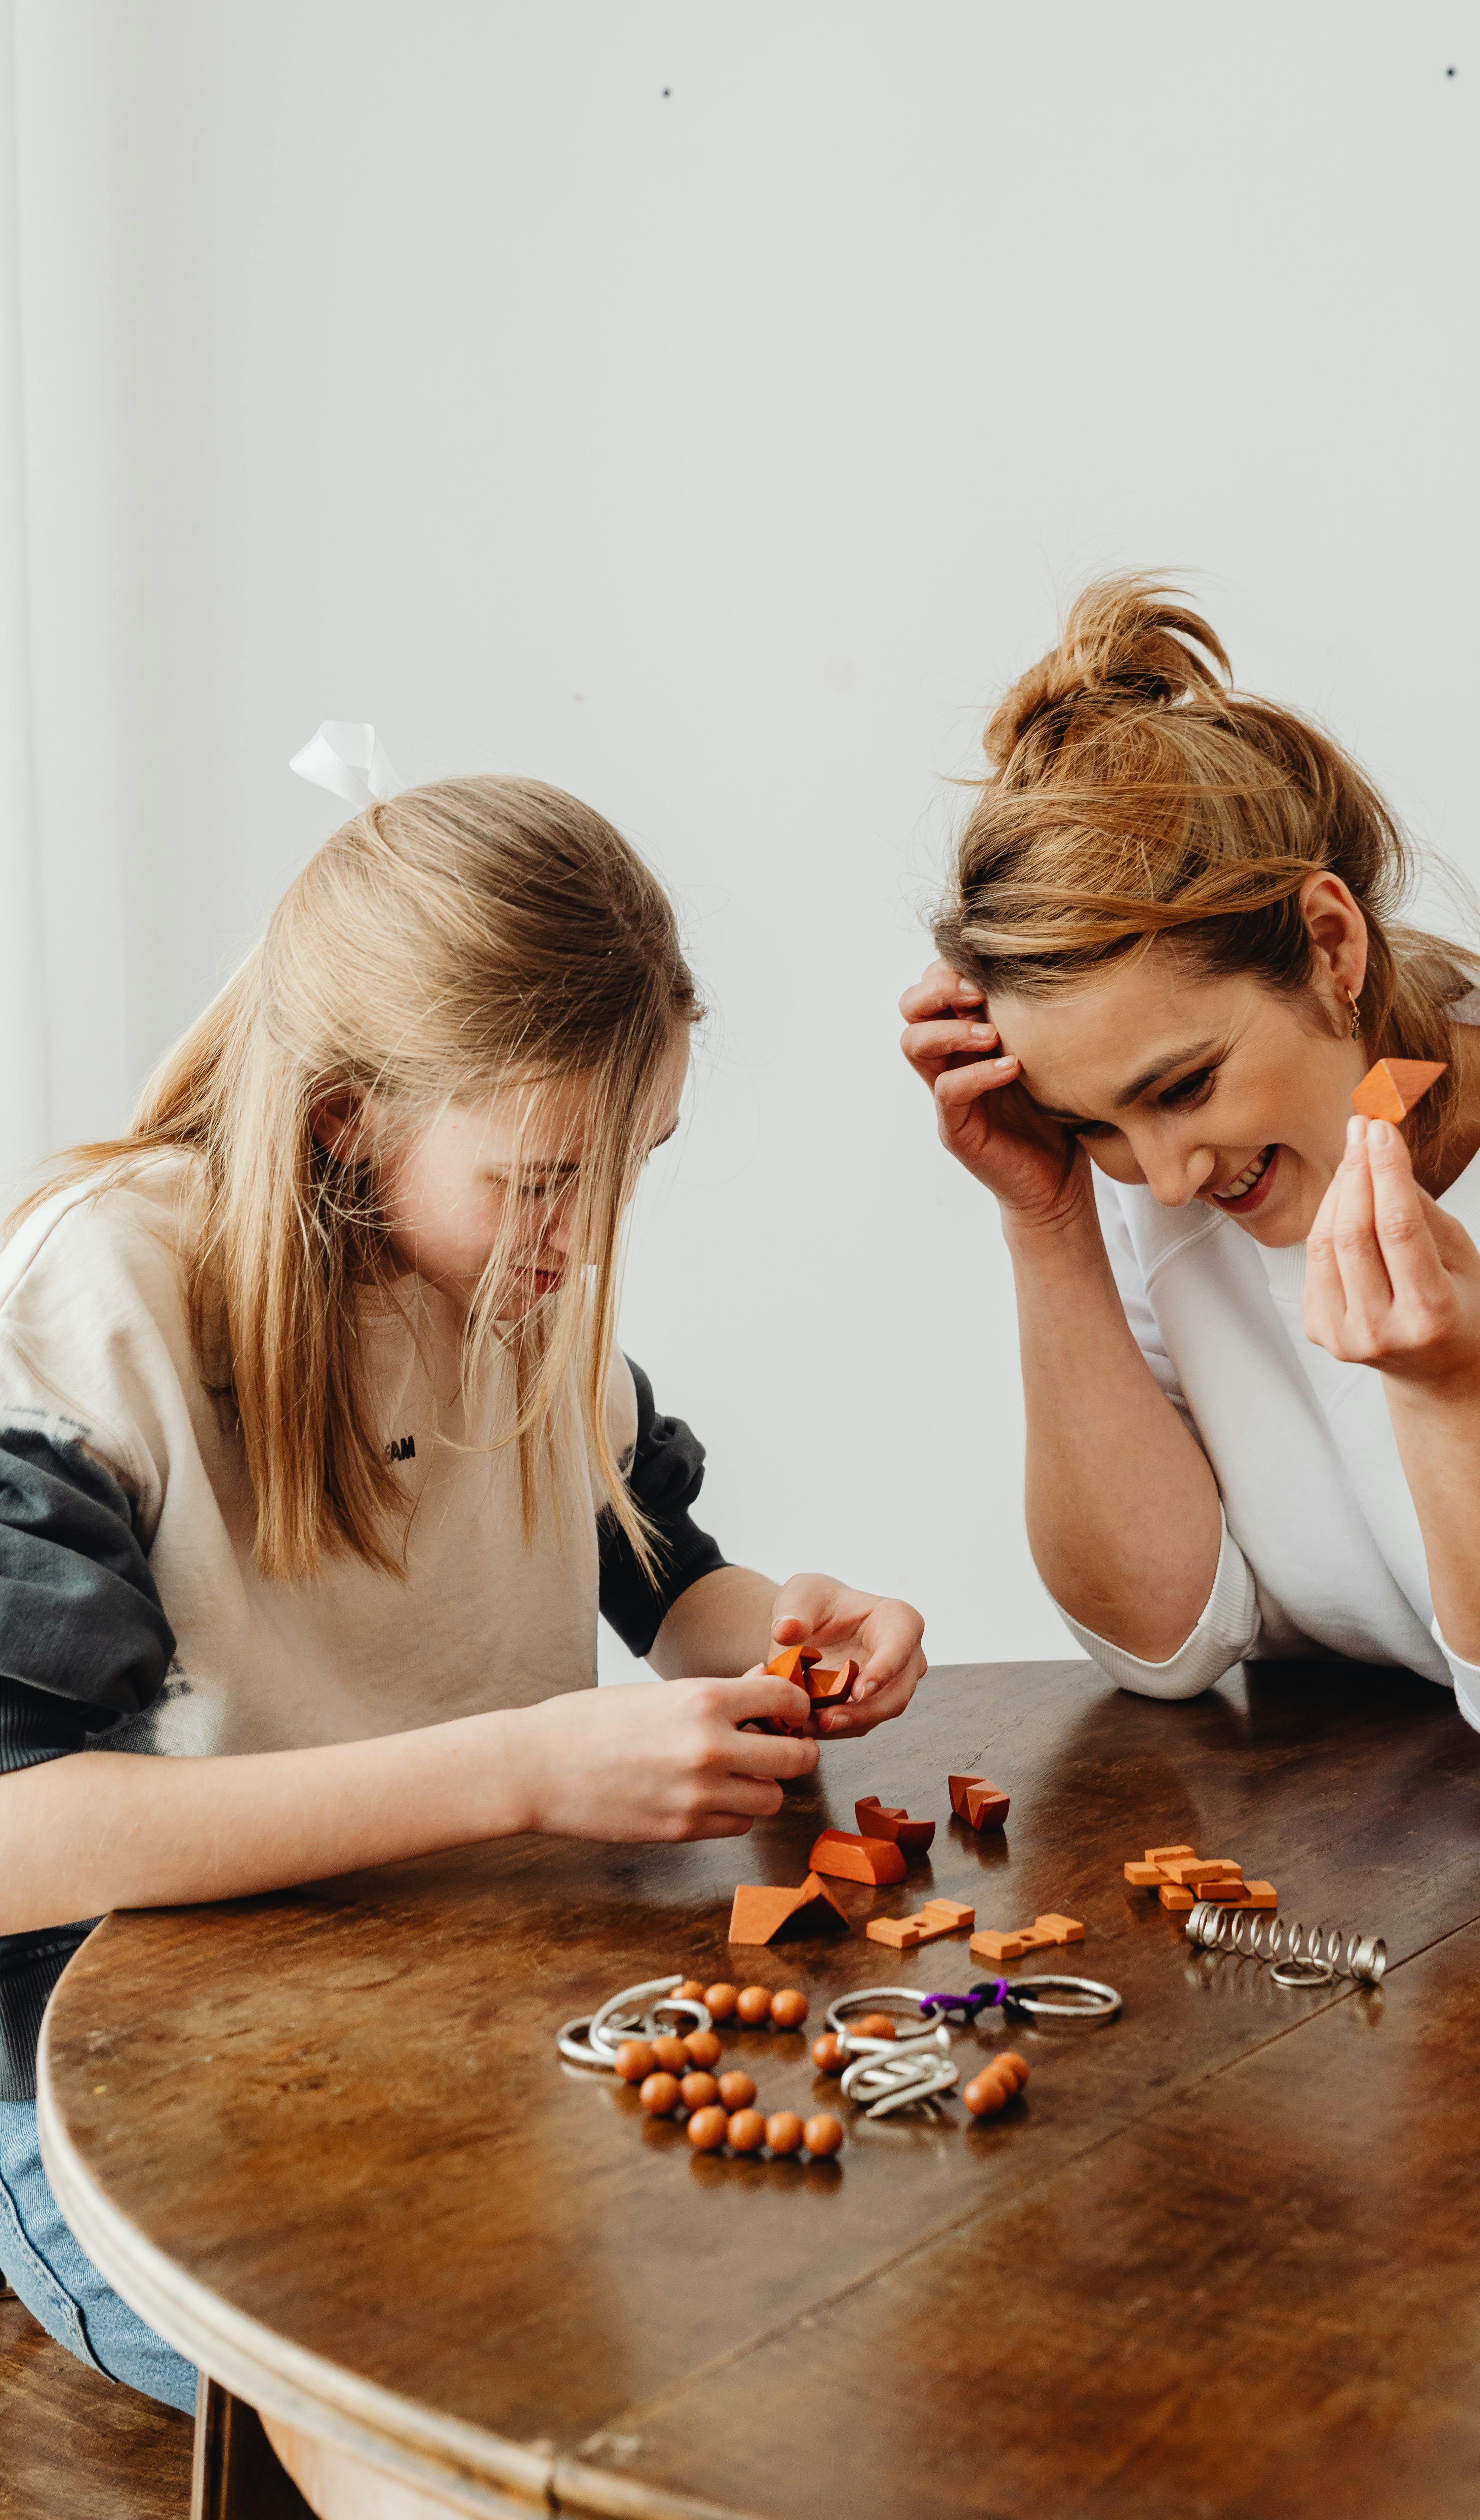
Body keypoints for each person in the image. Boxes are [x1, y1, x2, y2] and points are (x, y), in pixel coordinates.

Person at [0, 755, 925, 2407]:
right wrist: (518, 1771)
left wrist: (789, 1626)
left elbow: (671, 1574)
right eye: (542, 1178)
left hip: (447, 2016)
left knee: (771, 2321)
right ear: (349, 1119)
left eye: (625, 1166)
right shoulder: (104, 1297)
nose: (582, 1237)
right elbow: (16, 1837)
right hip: (102, 2076)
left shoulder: (511, 1276)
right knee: (409, 2394)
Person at [902, 575, 1480, 1805]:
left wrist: (1454, 1387)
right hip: (1355, 1854)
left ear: (1330, 944)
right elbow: (1163, 1644)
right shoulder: (1130, 1176)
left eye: (1187, 1085)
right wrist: (1046, 1217)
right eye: (1090, 1120)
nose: (1166, 1176)